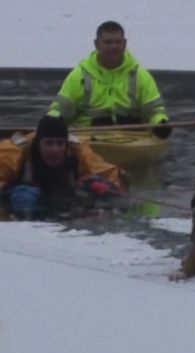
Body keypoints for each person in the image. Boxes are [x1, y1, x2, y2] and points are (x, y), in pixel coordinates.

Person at [48, 20, 171, 139]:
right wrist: (51, 122)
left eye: (118, 42)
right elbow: (60, 108)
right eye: (108, 42)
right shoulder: (78, 75)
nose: (114, 46)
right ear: (96, 44)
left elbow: (155, 110)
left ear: (125, 44)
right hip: (88, 141)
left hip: (134, 141)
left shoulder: (140, 76)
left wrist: (160, 122)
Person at [0, 115, 128, 219]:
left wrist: (108, 188)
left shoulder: (78, 152)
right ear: (38, 143)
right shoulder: (14, 153)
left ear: (66, 144)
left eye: (60, 143)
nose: (55, 150)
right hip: (23, 203)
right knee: (25, 197)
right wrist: (8, 191)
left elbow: (112, 174)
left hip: (62, 201)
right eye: (48, 143)